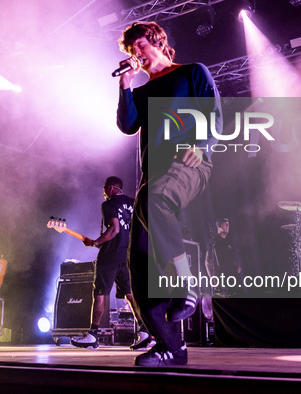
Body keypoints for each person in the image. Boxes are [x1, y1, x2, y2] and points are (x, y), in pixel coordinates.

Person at [116, 22, 221, 366]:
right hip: (153, 178)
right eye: (131, 51)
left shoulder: (192, 72)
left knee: (155, 199)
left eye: (140, 46)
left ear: (158, 41)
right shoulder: (143, 91)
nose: (136, 55)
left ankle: (186, 282)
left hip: (190, 164)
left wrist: (202, 146)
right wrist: (125, 85)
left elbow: (214, 114)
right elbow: (127, 124)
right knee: (139, 263)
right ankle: (171, 348)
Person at [71, 176, 154, 350]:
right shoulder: (133, 202)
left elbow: (115, 229)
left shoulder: (108, 205)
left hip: (109, 257)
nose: (103, 192)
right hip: (127, 256)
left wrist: (96, 242)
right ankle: (145, 332)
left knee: (100, 294)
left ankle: (93, 336)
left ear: (110, 188)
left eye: (104, 189)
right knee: (130, 295)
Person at [205, 218, 242, 296]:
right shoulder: (214, 241)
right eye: (226, 224)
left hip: (231, 278)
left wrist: (236, 265)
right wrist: (213, 280)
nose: (228, 226)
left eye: (228, 224)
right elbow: (207, 262)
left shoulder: (229, 241)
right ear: (219, 226)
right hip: (220, 278)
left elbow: (230, 257)